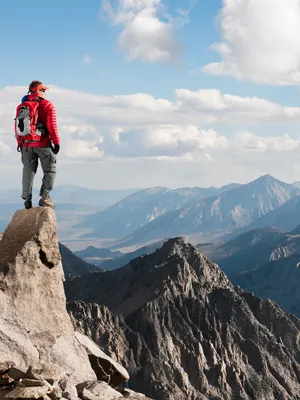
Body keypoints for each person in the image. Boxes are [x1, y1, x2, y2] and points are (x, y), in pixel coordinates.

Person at [17, 80, 60, 209]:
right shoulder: (47, 105)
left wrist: (21, 143)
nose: (45, 93)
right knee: (50, 170)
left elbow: (18, 127)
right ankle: (45, 197)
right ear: (39, 91)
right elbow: (51, 126)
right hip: (43, 144)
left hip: (26, 145)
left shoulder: (22, 106)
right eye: (44, 90)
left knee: (28, 170)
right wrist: (56, 142)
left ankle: (27, 199)